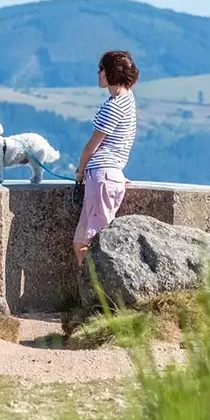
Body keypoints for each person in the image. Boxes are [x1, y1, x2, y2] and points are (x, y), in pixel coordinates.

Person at [73, 50, 139, 262]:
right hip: (111, 174)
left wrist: (80, 172)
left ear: (111, 73)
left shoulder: (112, 107)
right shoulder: (128, 99)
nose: (98, 73)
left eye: (101, 69)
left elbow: (91, 147)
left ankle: (98, 284)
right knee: (80, 242)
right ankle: (89, 282)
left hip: (101, 177)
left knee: (93, 243)